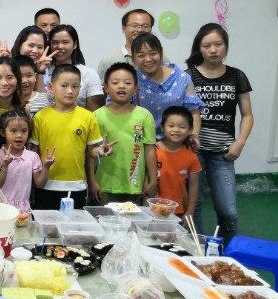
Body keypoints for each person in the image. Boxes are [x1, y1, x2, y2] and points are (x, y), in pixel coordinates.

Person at [186, 24, 253, 241]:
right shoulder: (188, 76)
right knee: (194, 205)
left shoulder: (237, 76)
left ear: (226, 46)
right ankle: (198, 250)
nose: (213, 50)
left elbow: (247, 115)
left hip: (223, 153)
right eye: (207, 45)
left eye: (218, 44)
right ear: (199, 48)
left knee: (228, 212)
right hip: (193, 151)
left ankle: (227, 253)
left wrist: (240, 142)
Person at [30, 64, 112, 210]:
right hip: (45, 185)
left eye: (75, 86)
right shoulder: (40, 117)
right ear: (51, 87)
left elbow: (91, 151)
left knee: (74, 224)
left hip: (76, 186)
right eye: (64, 86)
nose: (70, 91)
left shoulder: (88, 117)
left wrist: (99, 151)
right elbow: (34, 152)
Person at [90, 63, 157, 206]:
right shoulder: (96, 116)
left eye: (127, 83)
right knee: (103, 219)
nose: (121, 86)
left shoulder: (145, 115)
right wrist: (92, 181)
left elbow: (150, 150)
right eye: (115, 83)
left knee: (132, 220)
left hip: (135, 186)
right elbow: (90, 152)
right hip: (103, 186)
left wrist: (153, 180)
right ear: (106, 88)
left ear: (135, 88)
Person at [131, 33, 205, 139]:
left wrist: (194, 137)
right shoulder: (130, 80)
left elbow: (194, 111)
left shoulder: (182, 78)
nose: (148, 59)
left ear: (161, 53)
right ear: (133, 59)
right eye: (141, 55)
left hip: (176, 143)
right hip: (140, 143)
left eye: (153, 53)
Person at [0, 110, 53, 211]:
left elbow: (40, 184)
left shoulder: (32, 156)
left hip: (23, 209)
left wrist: (46, 167)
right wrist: (5, 165)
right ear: (3, 133)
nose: (19, 135)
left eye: (24, 131)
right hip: (0, 207)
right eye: (13, 131)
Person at [44, 25, 104, 111]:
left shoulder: (89, 74)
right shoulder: (43, 71)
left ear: (75, 44)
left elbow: (94, 111)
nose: (60, 46)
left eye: (65, 42)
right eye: (55, 42)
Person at [156, 106, 202, 218]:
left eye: (182, 127)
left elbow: (194, 186)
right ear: (162, 127)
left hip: (179, 211)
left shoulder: (192, 157)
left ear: (190, 130)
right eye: (171, 126)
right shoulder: (152, 150)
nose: (176, 130)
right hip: (152, 207)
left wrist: (189, 212)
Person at [97, 9, 168, 80]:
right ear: (123, 28)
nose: (140, 30)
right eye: (135, 25)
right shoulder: (110, 60)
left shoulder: (159, 59)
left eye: (145, 26)